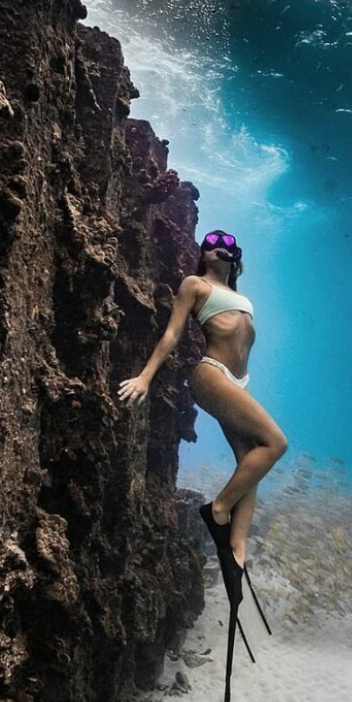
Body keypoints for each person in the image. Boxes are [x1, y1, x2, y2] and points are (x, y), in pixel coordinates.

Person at [118, 230, 288, 596]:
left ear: (235, 255)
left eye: (224, 244)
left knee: (250, 461)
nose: (214, 247)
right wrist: (146, 377)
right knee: (275, 443)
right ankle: (218, 509)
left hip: (239, 384)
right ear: (202, 254)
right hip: (211, 374)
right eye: (209, 244)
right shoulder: (195, 284)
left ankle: (236, 554)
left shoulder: (243, 298)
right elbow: (172, 334)